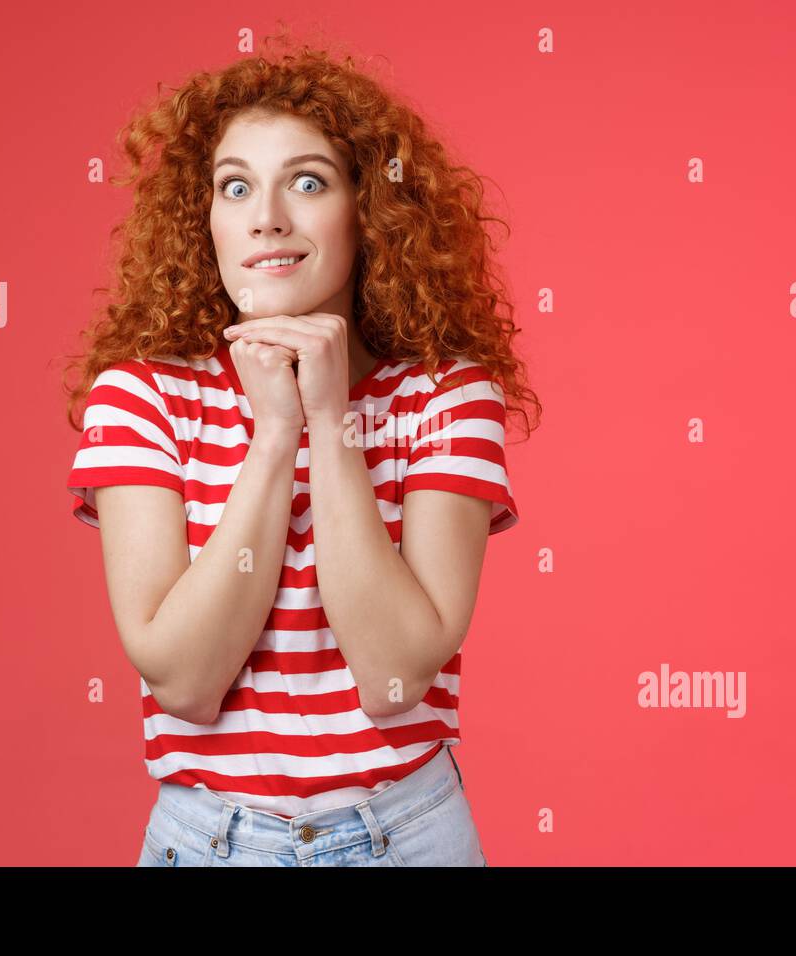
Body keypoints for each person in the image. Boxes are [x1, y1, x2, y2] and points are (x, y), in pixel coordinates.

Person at [61, 34, 541, 866]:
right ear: (203, 217)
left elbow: (396, 670)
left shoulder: (447, 397)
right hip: (209, 842)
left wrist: (331, 418)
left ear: (370, 209)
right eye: (235, 186)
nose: (267, 217)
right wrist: (276, 432)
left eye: (307, 182)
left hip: (407, 836)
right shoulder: (140, 398)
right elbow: (184, 681)